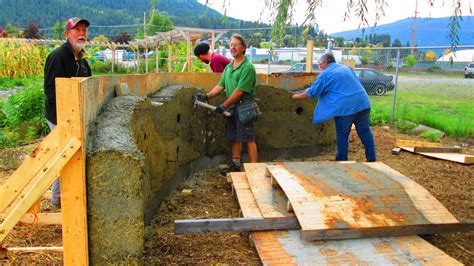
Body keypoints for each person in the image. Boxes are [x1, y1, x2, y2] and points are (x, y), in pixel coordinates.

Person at [292, 52, 376, 162]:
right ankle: (371, 158)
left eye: (319, 64)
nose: (319, 66)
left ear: (325, 62)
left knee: (342, 134)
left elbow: (313, 92)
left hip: (345, 108)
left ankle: (342, 160)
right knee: (364, 131)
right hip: (363, 103)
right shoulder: (346, 68)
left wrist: (296, 96)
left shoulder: (325, 74)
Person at [44, 17, 92, 208]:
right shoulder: (59, 56)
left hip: (76, 116)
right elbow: (50, 90)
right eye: (77, 30)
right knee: (63, 158)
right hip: (60, 117)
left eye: (84, 30)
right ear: (67, 34)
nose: (81, 33)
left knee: (69, 158)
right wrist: (65, 116)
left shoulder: (81, 58)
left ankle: (63, 197)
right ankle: (59, 200)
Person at [194, 34, 258, 173]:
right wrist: (206, 96)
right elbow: (220, 86)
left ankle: (255, 169)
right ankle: (235, 166)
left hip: (245, 106)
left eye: (236, 45)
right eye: (231, 45)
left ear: (243, 48)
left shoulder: (247, 67)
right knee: (234, 137)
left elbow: (240, 91)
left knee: (248, 138)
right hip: (233, 106)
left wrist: (224, 105)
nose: (233, 48)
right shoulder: (229, 67)